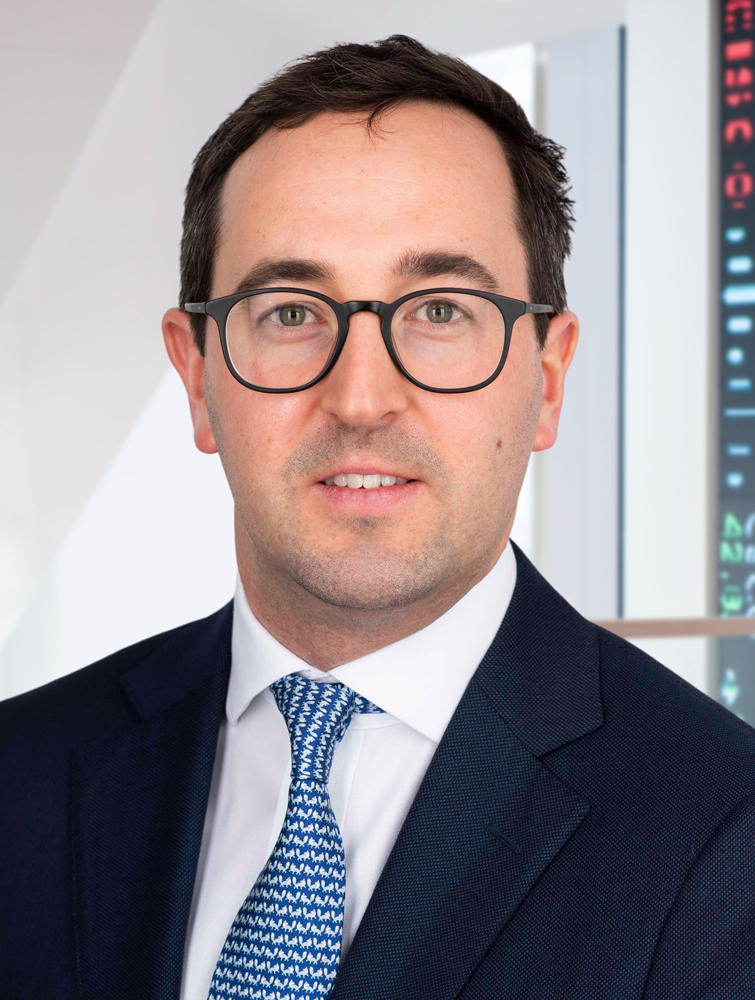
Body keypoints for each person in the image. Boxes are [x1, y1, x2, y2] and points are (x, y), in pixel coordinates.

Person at [2, 33, 754, 1000]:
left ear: (547, 377)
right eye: (289, 312)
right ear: (196, 377)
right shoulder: (22, 772)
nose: (361, 399)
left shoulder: (722, 834)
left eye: (439, 312)